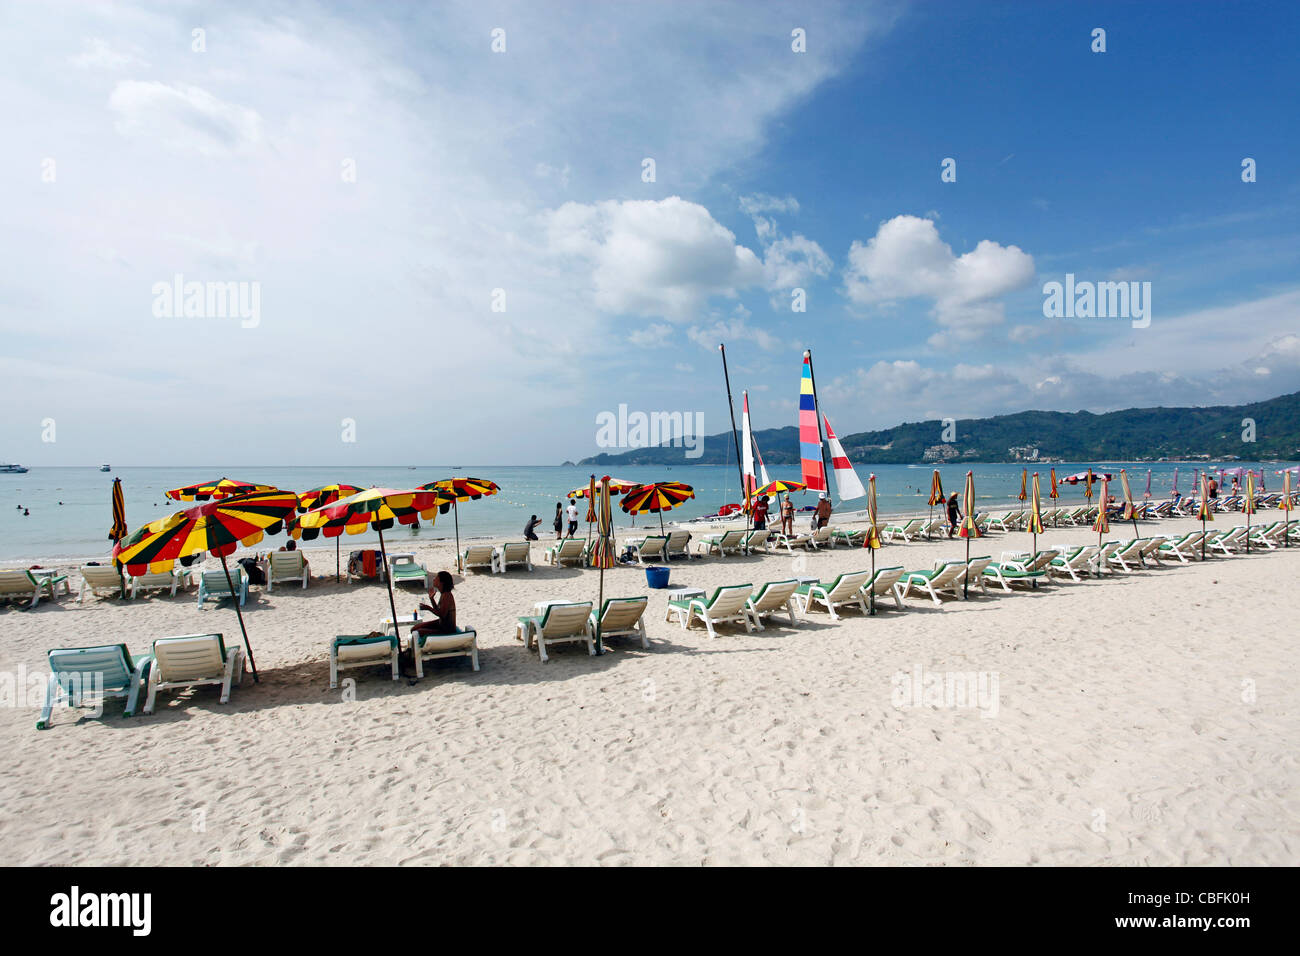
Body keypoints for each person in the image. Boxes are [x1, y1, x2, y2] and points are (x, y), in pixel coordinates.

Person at [413, 570, 457, 637]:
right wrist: (432, 599)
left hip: (447, 630)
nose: (434, 579)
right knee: (415, 628)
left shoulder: (447, 595)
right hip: (441, 624)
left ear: (441, 583)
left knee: (417, 632)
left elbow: (442, 614)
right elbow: (438, 611)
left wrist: (428, 608)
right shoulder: (444, 594)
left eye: (436, 578)